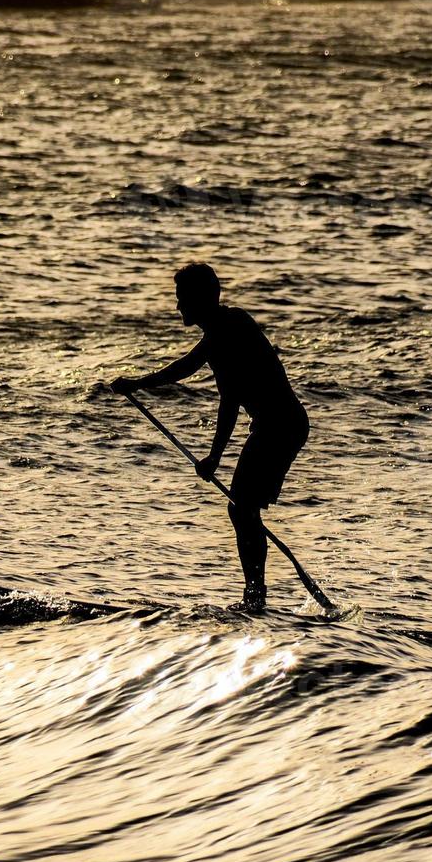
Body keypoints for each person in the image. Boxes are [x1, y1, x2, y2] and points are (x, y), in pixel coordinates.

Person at [111, 262, 309, 613]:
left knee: (242, 508)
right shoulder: (218, 334)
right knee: (242, 510)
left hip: (282, 426)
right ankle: (255, 594)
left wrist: (215, 457)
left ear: (199, 299)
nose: (177, 307)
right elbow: (183, 369)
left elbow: (229, 402)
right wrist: (137, 384)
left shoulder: (231, 328)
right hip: (274, 426)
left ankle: (255, 597)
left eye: (181, 299)